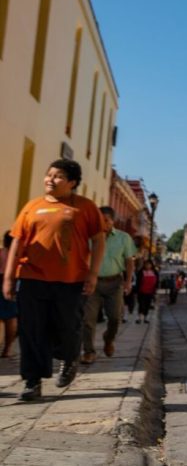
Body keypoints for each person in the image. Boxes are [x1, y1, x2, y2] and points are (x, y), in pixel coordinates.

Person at [3, 159, 106, 401]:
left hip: (71, 280)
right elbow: (17, 242)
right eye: (49, 175)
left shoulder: (86, 207)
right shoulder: (32, 207)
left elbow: (99, 240)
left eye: (58, 176)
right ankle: (32, 381)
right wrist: (9, 277)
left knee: (67, 328)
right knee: (31, 331)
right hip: (31, 277)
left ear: (72, 182)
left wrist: (92, 273)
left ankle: (70, 359)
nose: (50, 179)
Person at [80, 207, 137, 364]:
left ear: (113, 221)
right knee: (88, 319)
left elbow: (130, 260)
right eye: (99, 219)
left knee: (114, 317)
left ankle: (108, 338)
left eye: (106, 220)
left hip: (114, 283)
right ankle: (89, 351)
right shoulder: (88, 237)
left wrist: (128, 281)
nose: (103, 223)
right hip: (93, 283)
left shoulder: (124, 238)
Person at [0, 232, 19, 358]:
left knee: (8, 317)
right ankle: (7, 349)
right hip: (11, 283)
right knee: (11, 318)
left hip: (2, 282)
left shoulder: (2, 252)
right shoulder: (18, 255)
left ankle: (7, 348)